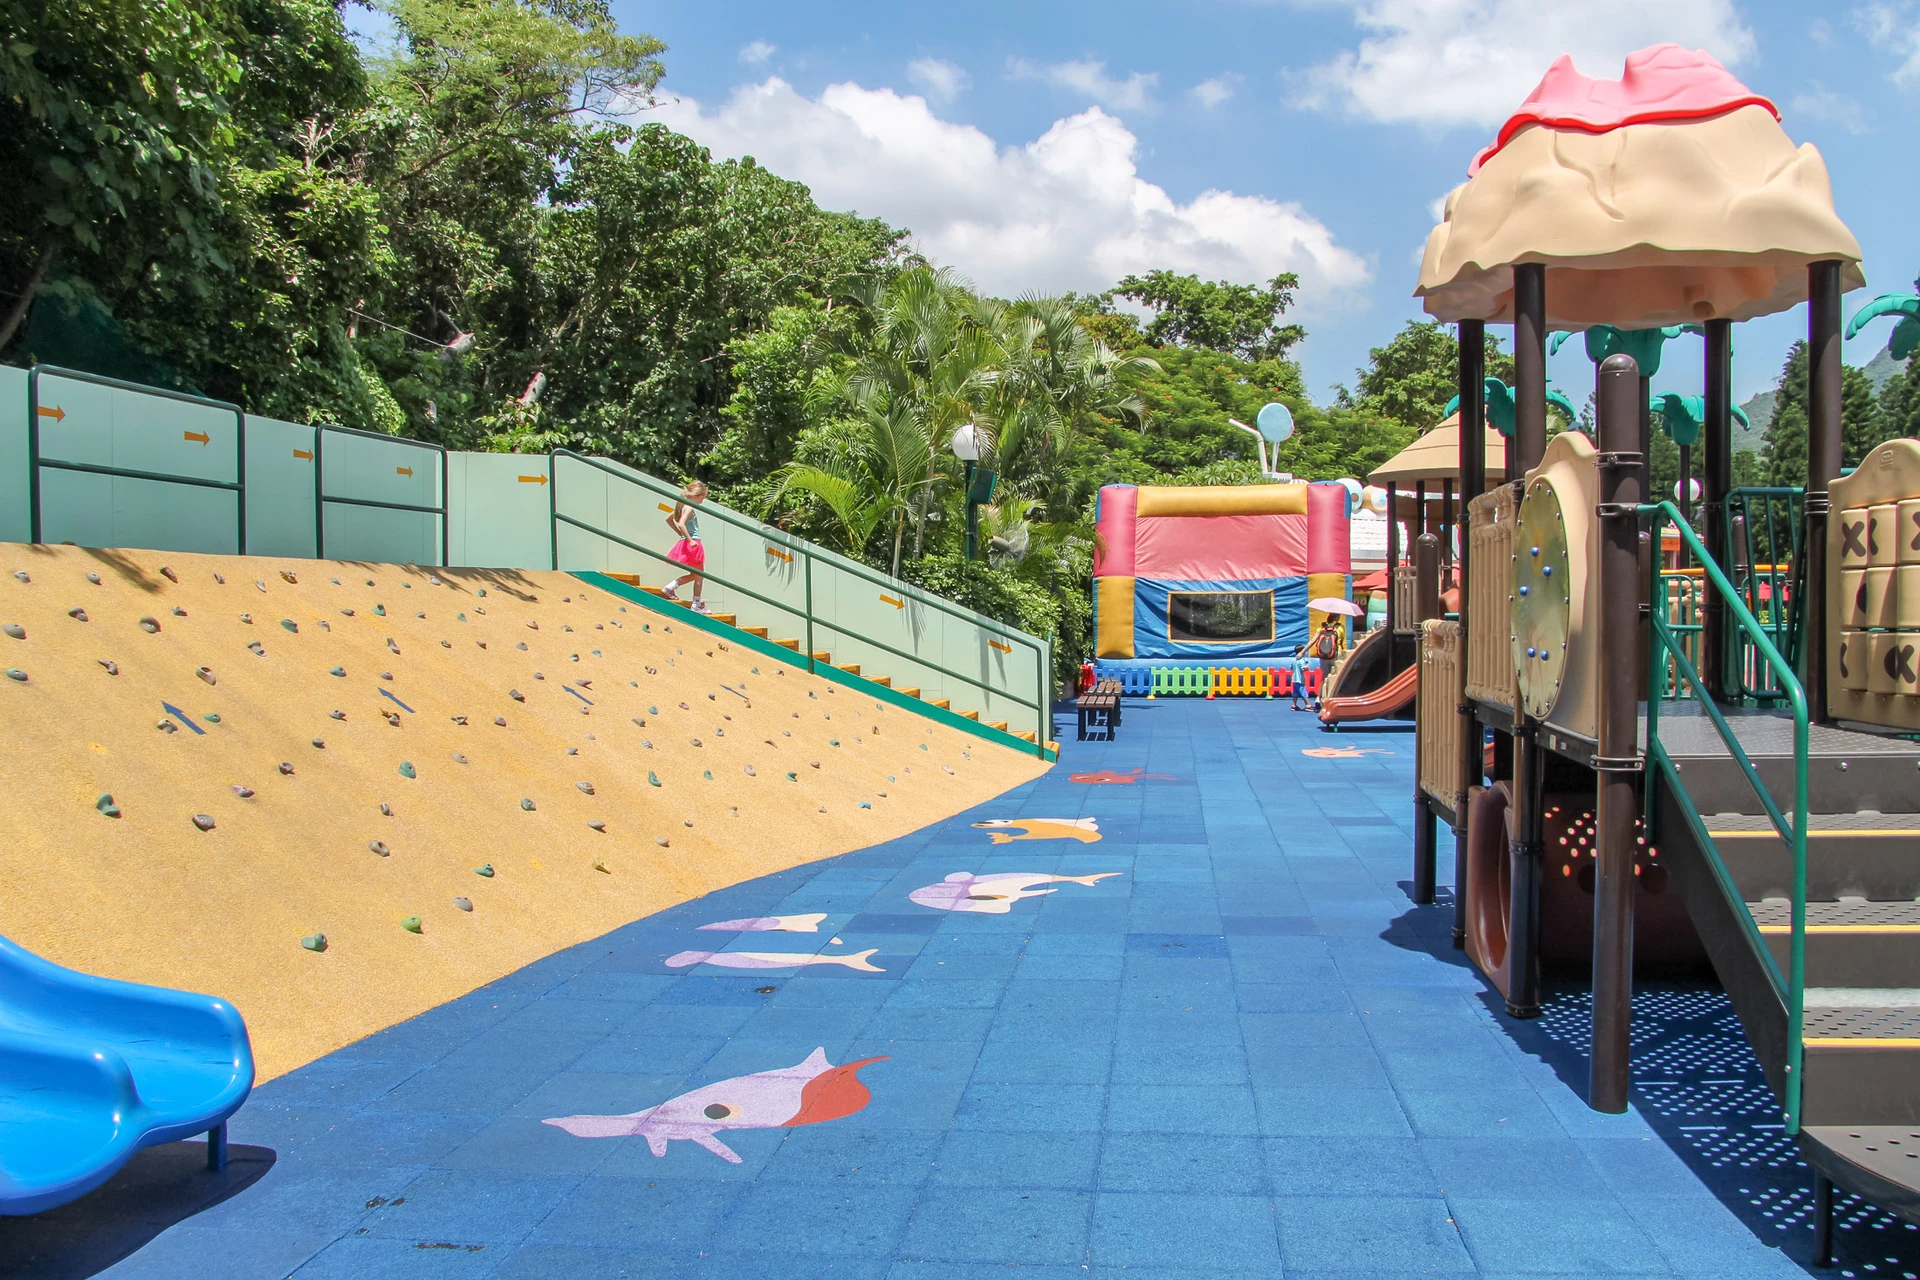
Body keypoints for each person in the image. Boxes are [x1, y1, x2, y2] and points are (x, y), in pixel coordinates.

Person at [661, 480, 708, 613]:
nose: (702, 501)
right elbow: (681, 523)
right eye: (702, 498)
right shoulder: (689, 507)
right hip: (694, 542)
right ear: (696, 495)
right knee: (699, 575)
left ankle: (671, 587)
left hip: (687, 541)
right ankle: (696, 603)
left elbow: (669, 519)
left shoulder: (681, 506)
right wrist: (689, 539)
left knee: (696, 574)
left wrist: (679, 534)